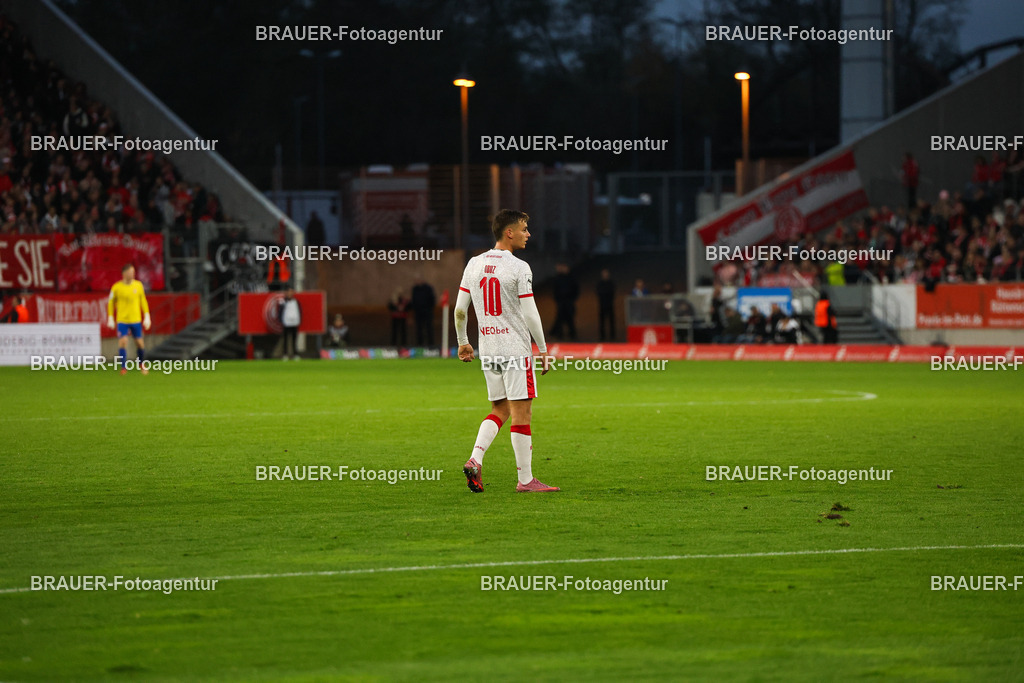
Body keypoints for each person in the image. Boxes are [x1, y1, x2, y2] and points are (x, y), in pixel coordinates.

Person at [455, 209, 558, 493]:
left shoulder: (474, 263)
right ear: (508, 232)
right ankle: (525, 480)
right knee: (522, 414)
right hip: (515, 350)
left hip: (488, 350)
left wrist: (464, 340)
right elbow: (530, 313)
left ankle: (475, 458)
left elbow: (460, 309)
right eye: (524, 228)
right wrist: (544, 349)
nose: (528, 234)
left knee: (500, 409)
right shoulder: (519, 267)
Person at [107, 264, 151, 375]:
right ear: (124, 273)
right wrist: (111, 317)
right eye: (131, 272)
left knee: (140, 343)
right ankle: (123, 367)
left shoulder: (138, 285)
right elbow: (111, 302)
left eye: (133, 272)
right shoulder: (116, 287)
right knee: (123, 342)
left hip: (136, 319)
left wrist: (147, 315)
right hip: (122, 320)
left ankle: (141, 363)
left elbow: (143, 301)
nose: (133, 274)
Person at [549, 263, 579, 340]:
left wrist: (572, 299)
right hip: (561, 302)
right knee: (561, 318)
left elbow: (576, 289)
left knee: (569, 319)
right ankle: (560, 334)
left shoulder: (571, 278)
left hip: (568, 302)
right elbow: (555, 290)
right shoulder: (559, 278)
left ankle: (572, 334)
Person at [410, 276, 437, 346]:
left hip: (427, 311)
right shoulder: (415, 289)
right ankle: (420, 344)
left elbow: (432, 300)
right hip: (418, 312)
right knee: (419, 329)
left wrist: (429, 309)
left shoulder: (428, 288)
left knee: (429, 328)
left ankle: (431, 344)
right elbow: (413, 300)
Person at [278, 289, 302, 360]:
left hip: (295, 323)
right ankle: (285, 354)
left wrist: (299, 320)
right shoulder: (283, 302)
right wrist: (281, 320)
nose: (289, 293)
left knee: (294, 339)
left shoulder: (296, 302)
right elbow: (280, 312)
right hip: (286, 323)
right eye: (288, 292)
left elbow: (299, 311)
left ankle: (295, 354)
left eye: (291, 292)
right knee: (285, 340)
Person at [596, 268, 616, 341]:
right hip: (602, 305)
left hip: (610, 304)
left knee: (611, 321)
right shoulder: (600, 283)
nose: (605, 275)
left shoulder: (611, 283)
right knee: (602, 321)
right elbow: (598, 292)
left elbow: (613, 292)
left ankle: (612, 335)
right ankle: (602, 336)